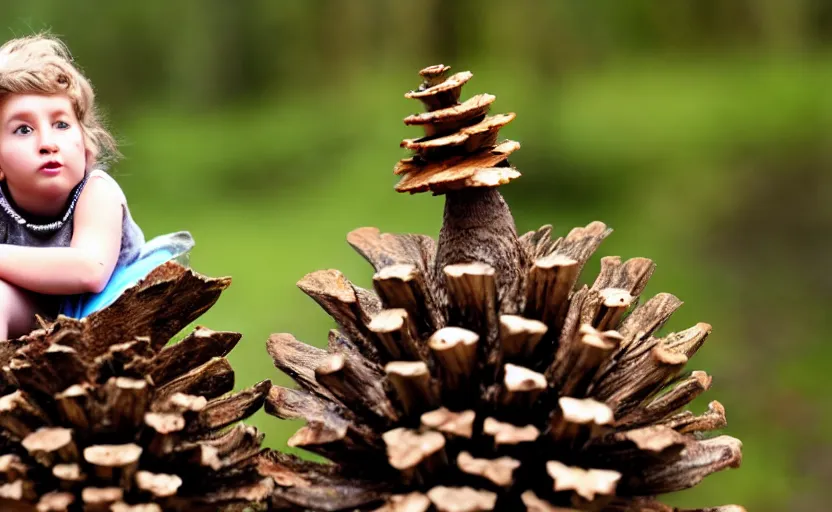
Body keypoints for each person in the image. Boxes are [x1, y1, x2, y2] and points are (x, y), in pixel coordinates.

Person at [0, 34, 192, 340]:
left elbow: (89, 270)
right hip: (32, 309)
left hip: (102, 315)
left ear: (85, 140)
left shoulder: (98, 192)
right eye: (23, 129)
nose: (48, 143)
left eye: (61, 124)